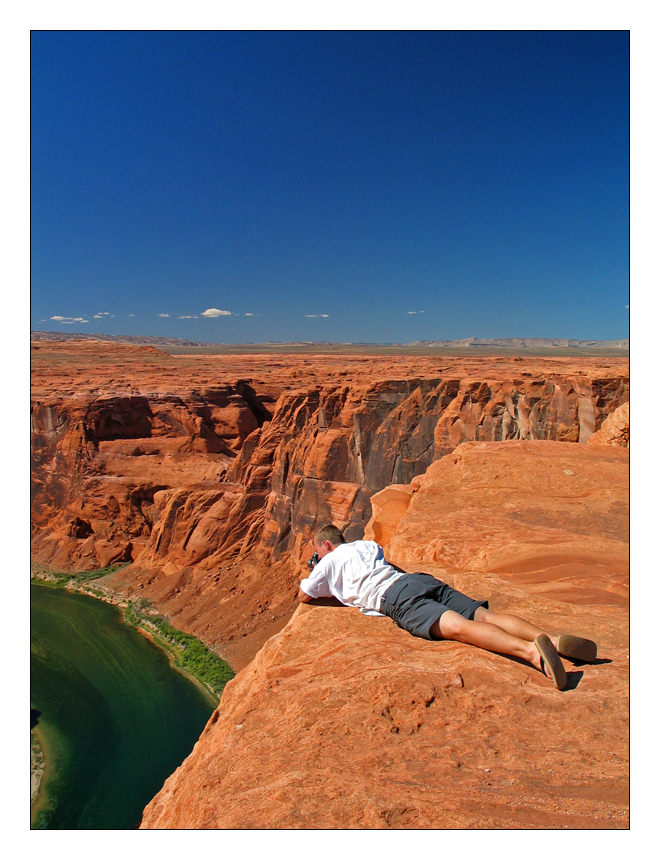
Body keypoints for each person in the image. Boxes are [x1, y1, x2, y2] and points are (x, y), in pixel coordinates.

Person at [297, 524, 598, 691]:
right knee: (484, 615)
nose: (317, 556)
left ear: (324, 545)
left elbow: (305, 595)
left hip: (395, 598)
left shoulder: (329, 561)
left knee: (459, 627)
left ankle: (534, 655)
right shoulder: (365, 545)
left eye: (317, 551)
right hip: (415, 580)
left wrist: (318, 567)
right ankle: (554, 642)